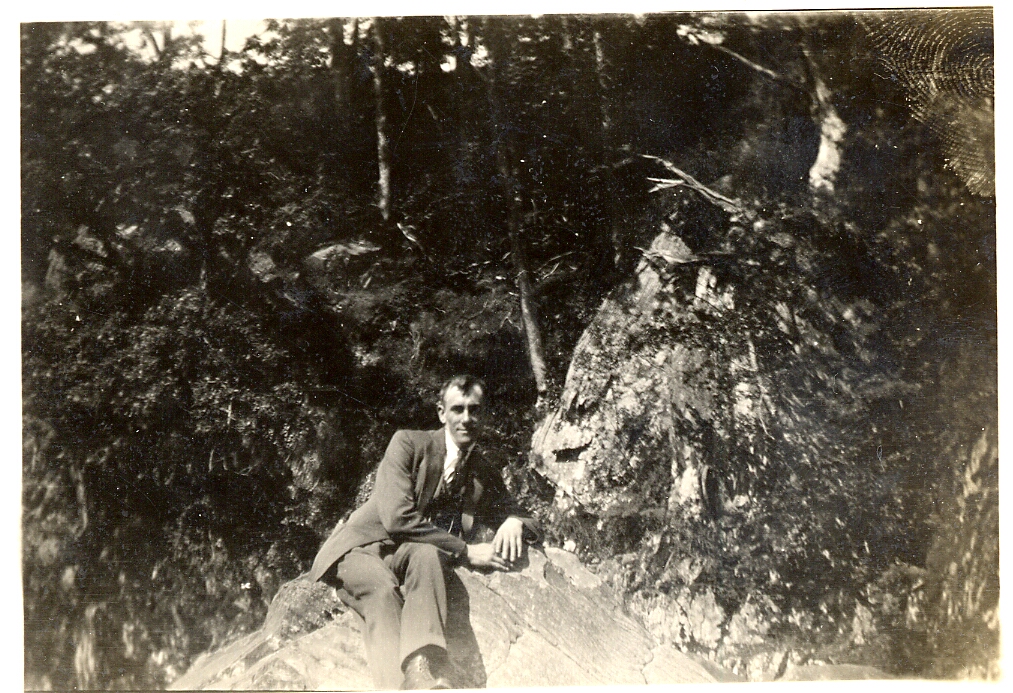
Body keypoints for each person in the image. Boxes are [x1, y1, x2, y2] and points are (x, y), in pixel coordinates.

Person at [307, 375, 540, 690]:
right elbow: (398, 519)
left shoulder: (482, 472)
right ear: (442, 413)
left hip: (409, 554)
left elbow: (528, 518)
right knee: (382, 590)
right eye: (457, 409)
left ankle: (420, 669)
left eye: (475, 410)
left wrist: (514, 522)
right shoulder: (408, 444)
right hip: (361, 548)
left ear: (484, 415)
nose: (466, 419)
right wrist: (466, 551)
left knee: (429, 555)